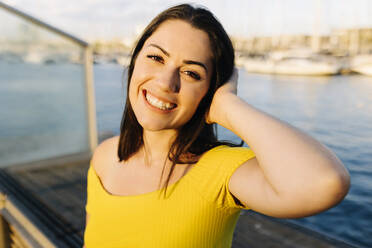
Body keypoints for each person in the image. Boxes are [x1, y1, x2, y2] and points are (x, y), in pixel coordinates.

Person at [83, 3, 350, 248]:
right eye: (156, 57)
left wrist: (228, 106)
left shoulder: (219, 172)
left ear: (210, 90)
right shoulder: (105, 156)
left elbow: (325, 182)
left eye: (191, 73)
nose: (166, 82)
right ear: (135, 60)